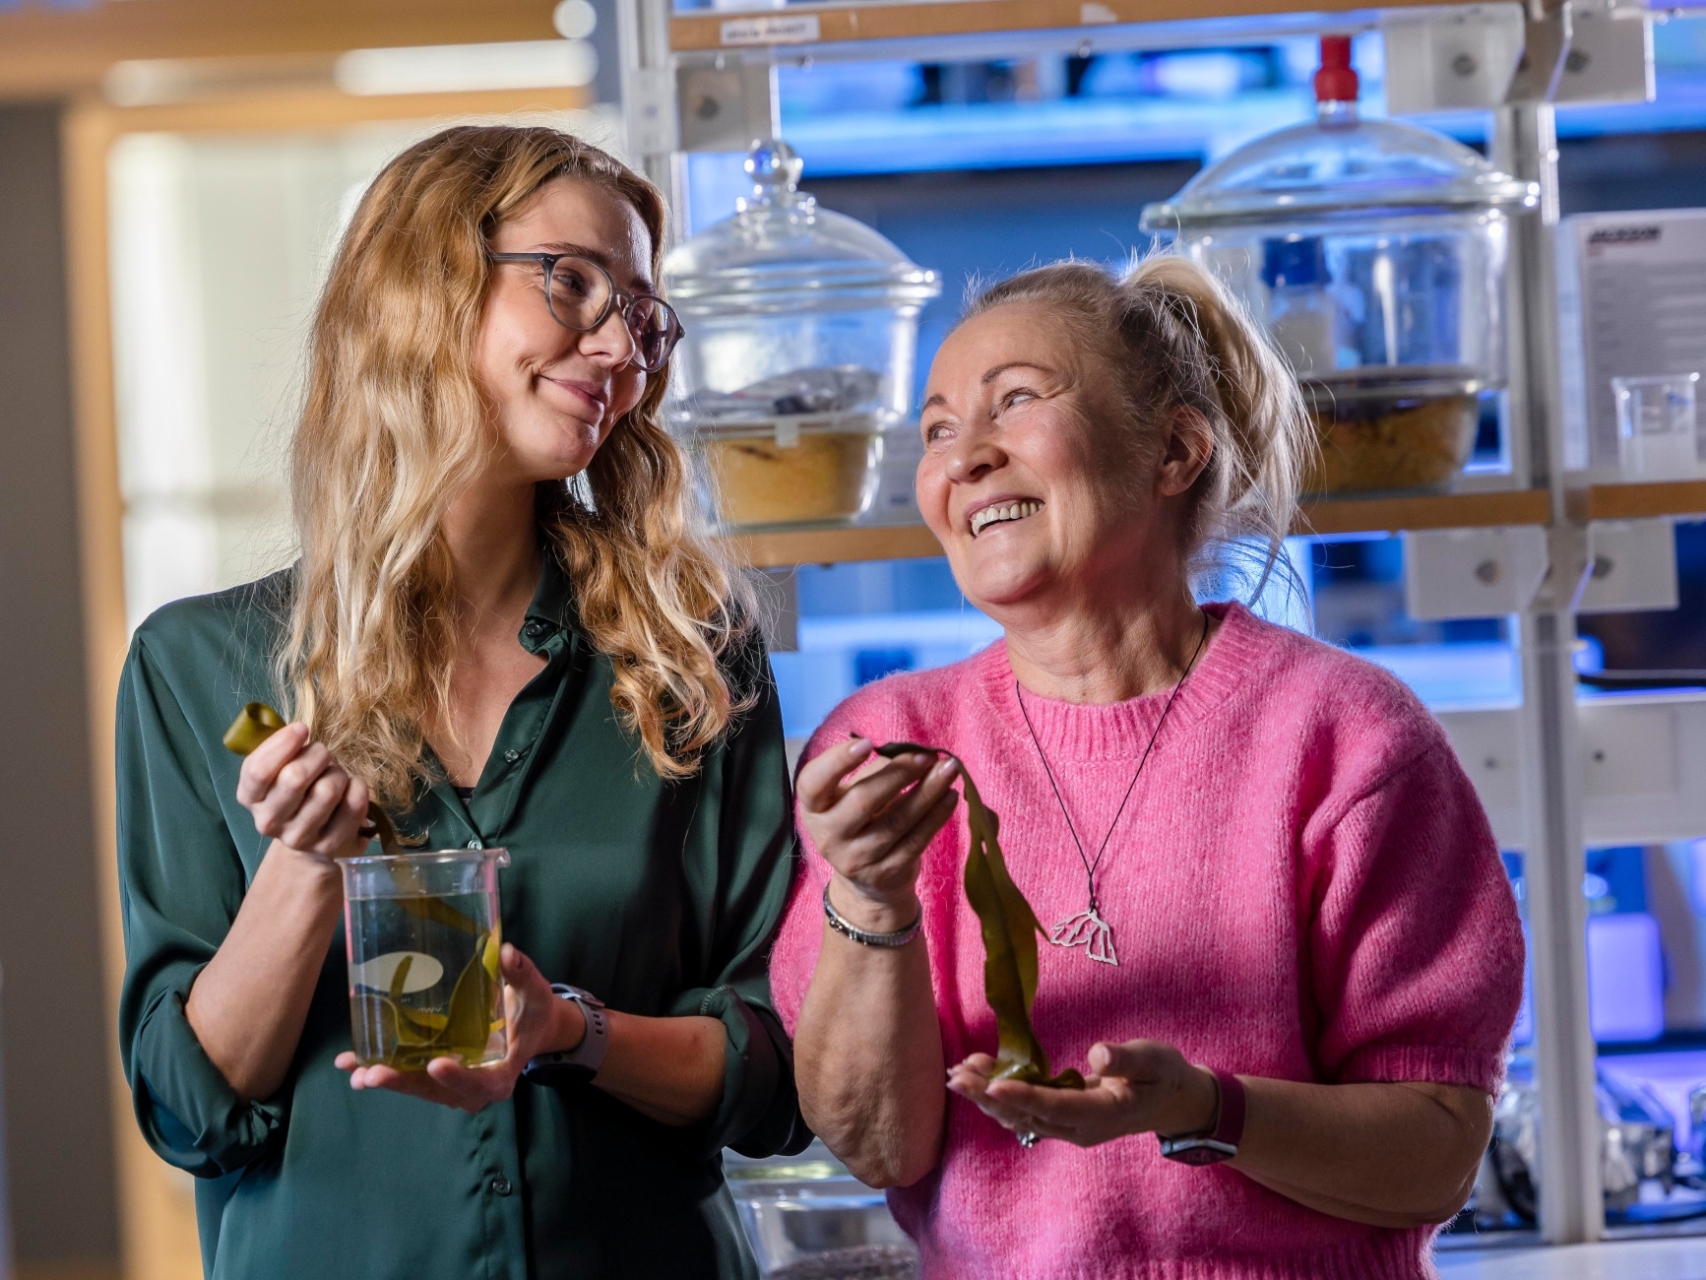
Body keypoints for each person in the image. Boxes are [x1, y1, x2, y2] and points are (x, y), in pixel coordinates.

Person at [116, 125, 807, 1280]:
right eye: (573, 280)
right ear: (422, 287)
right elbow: (191, 1112)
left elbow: (781, 1074)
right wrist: (298, 866)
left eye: (640, 311)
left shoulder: (692, 656)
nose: (618, 345)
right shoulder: (197, 667)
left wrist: (565, 1029)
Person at [769, 257, 1525, 1279]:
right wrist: (868, 895)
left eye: (1015, 401)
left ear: (1171, 450)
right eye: (938, 428)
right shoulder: (888, 748)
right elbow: (875, 1144)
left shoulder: (1344, 736)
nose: (965, 457)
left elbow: (1435, 1150)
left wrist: (1207, 1109)